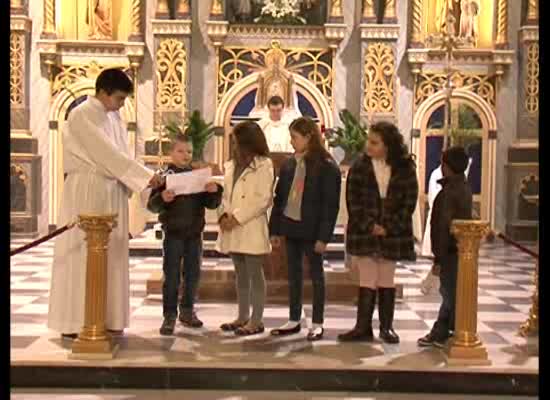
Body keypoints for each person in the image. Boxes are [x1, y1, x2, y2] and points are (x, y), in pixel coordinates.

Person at [48, 68, 161, 339]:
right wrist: (145, 176)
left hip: (111, 189)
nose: (122, 104)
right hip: (89, 188)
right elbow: (106, 154)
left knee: (113, 254)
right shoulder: (82, 114)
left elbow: (122, 154)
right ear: (103, 92)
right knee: (84, 254)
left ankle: (107, 317)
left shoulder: (113, 116)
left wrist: (143, 179)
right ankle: (78, 321)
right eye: (120, 98)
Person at [338, 122, 418, 344]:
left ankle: (387, 327)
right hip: (366, 229)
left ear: (388, 145)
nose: (368, 145)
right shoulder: (359, 167)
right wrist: (369, 225)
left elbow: (408, 202)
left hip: (393, 230)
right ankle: (362, 327)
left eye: (374, 142)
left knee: (386, 278)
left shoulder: (405, 168)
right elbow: (353, 201)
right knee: (367, 277)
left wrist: (389, 226)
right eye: (368, 141)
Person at [269, 117, 341, 341]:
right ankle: (294, 318)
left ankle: (318, 322)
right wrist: (275, 229)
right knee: (294, 275)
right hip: (291, 226)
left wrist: (324, 237)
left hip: (313, 229)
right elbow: (280, 198)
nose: (291, 142)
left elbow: (331, 204)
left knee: (316, 276)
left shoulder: (326, 165)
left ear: (309, 137)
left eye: (294, 137)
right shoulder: (289, 164)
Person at [147, 134, 223, 336]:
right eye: (180, 151)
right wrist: (162, 198)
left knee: (193, 275)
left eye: (189, 151)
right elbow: (152, 205)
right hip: (173, 233)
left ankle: (187, 311)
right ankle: (169, 315)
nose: (185, 155)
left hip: (194, 233)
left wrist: (213, 191)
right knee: (171, 276)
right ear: (171, 153)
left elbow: (211, 204)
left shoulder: (197, 175)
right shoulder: (163, 177)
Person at [217, 121, 275, 336]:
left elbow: (263, 198)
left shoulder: (264, 164)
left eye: (237, 140)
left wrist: (238, 218)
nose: (234, 144)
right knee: (240, 274)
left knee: (254, 273)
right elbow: (226, 194)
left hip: (250, 225)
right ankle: (242, 316)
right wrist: (223, 215)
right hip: (231, 225)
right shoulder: (231, 164)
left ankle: (256, 320)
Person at [418, 146, 472, 348]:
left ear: (447, 166)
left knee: (449, 294)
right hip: (459, 250)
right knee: (452, 293)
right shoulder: (464, 188)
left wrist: (438, 258)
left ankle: (441, 332)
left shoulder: (448, 193)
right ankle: (447, 330)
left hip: (450, 252)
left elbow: (442, 227)